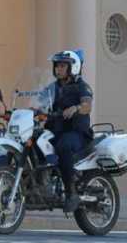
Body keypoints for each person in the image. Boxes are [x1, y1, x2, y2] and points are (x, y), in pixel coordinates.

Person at [46, 50, 93, 213]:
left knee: (63, 146)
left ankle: (71, 192)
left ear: (73, 67)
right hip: (56, 131)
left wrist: (76, 108)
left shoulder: (82, 86)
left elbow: (87, 105)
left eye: (62, 65)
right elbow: (39, 100)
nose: (58, 69)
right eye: (57, 65)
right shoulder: (52, 88)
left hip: (77, 133)